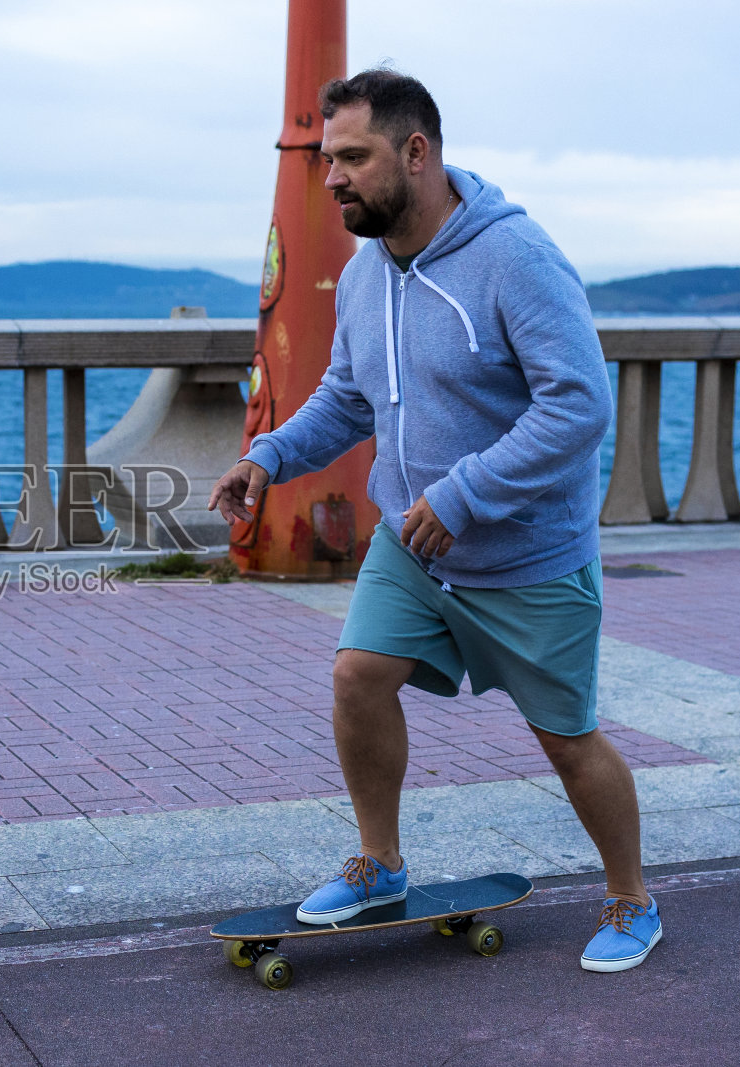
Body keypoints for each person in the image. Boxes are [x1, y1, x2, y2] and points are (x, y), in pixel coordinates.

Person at [208, 69, 659, 972]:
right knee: (356, 675)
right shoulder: (369, 272)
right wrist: (269, 456)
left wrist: (460, 496)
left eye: (351, 157)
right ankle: (380, 864)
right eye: (326, 157)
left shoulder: (516, 257)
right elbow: (347, 396)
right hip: (412, 548)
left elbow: (578, 406)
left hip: (527, 554)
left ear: (416, 153)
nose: (331, 177)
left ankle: (631, 898)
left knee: (568, 740)